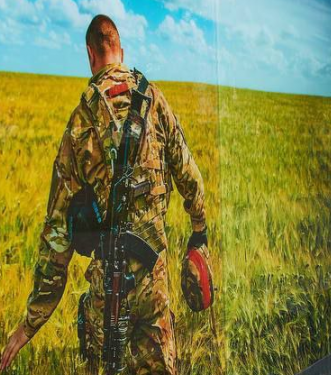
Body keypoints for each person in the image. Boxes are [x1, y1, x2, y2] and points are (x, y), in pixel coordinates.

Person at [0, 14, 207, 374]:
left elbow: (57, 236)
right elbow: (190, 177)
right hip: (155, 282)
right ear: (120, 51)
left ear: (90, 54)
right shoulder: (154, 99)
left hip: (108, 291)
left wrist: (30, 323)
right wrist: (198, 232)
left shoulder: (80, 122)